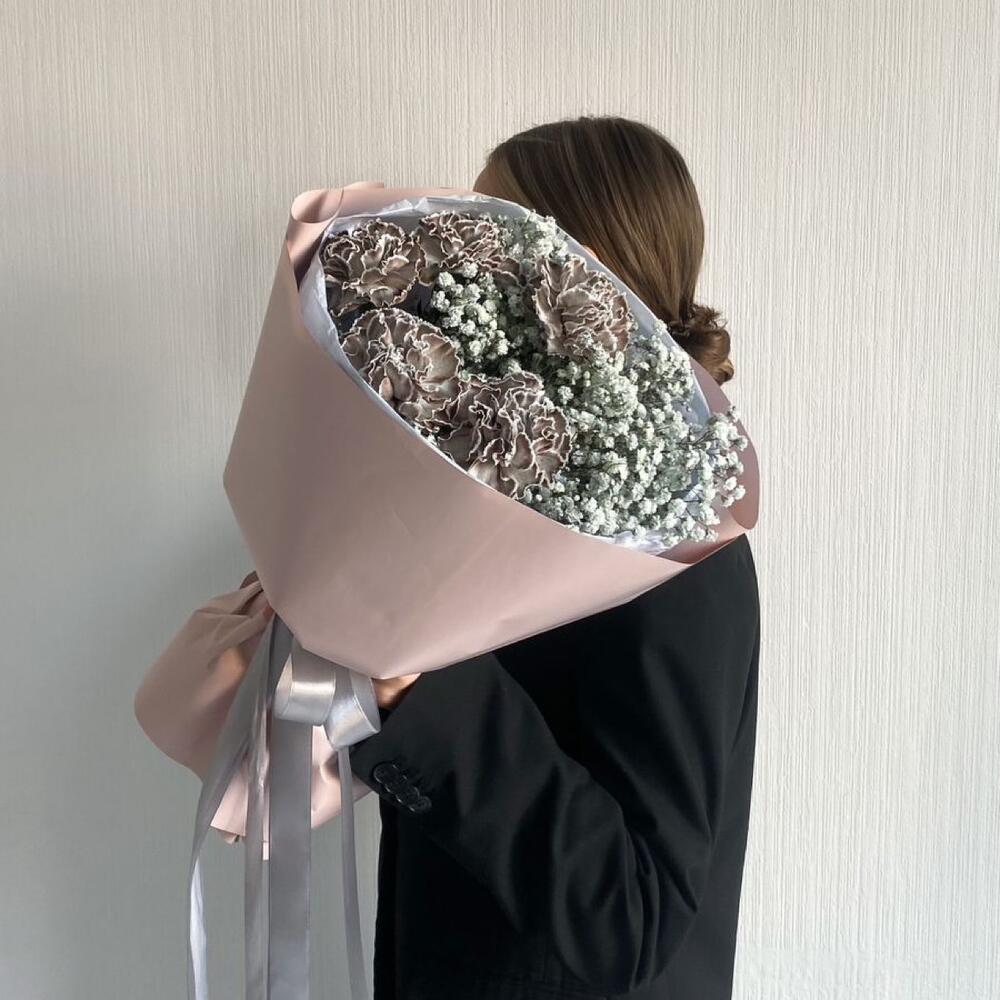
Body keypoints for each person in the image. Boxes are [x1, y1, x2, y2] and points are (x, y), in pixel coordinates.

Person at [346, 115, 761, 1000]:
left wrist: (421, 687)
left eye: (488, 237)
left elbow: (635, 915)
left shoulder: (677, 550)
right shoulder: (511, 496)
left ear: (577, 274)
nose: (453, 266)